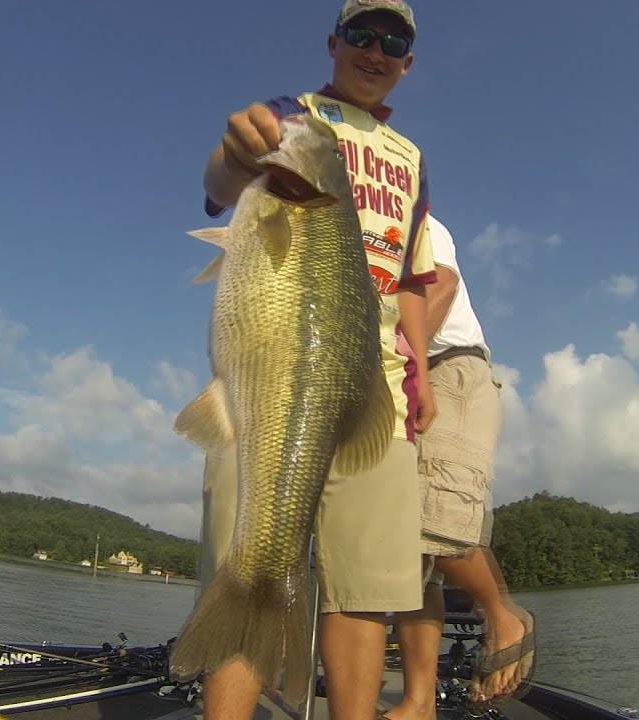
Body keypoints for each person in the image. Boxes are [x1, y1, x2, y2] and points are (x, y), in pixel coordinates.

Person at [192, 2, 439, 719]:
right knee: (245, 558)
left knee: (364, 594)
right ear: (333, 43)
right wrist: (239, 155)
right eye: (361, 34)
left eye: (393, 40)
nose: (375, 49)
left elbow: (413, 278)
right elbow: (219, 185)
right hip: (271, 376)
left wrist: (422, 372)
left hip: (377, 387)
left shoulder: (413, 159)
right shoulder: (290, 115)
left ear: (408, 63)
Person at [385, 216, 535, 720]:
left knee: (433, 525)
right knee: (412, 566)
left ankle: (504, 619)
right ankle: (418, 703)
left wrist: (400, 368)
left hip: (449, 370)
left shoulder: (414, 216)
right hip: (407, 383)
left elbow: (442, 285)